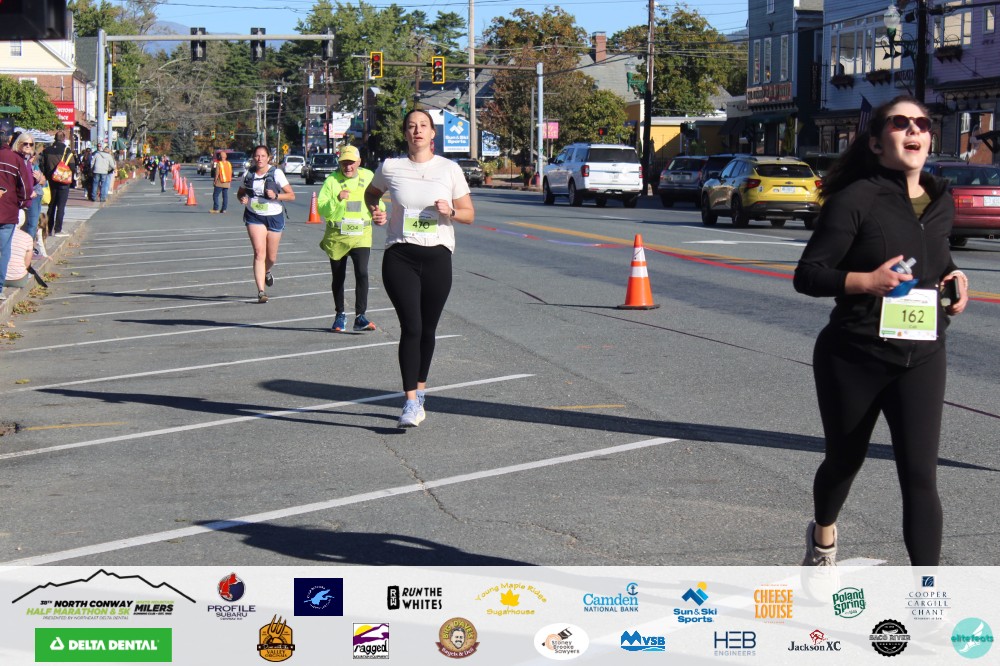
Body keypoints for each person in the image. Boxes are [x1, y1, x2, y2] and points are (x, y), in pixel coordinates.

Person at [794, 95, 969, 567]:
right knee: (844, 461)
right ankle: (823, 535)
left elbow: (932, 255)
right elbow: (808, 275)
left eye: (922, 124)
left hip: (922, 355)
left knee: (920, 476)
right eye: (900, 123)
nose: (914, 130)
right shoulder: (856, 199)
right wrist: (867, 282)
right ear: (875, 142)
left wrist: (953, 274)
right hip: (855, 355)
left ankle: (926, 595)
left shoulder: (940, 199)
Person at [364, 109, 475, 428]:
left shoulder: (449, 169)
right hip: (400, 256)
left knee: (427, 329)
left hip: (438, 256)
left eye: (423, 126)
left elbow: (469, 214)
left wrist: (450, 211)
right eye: (411, 126)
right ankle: (410, 401)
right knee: (411, 327)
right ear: (405, 133)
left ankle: (421, 392)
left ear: (432, 133)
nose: (417, 131)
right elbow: (371, 193)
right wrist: (376, 210)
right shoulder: (391, 167)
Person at [317, 145, 385, 332]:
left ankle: (360, 316)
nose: (348, 166)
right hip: (337, 236)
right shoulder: (332, 181)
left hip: (361, 235)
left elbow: (378, 201)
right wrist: (337, 198)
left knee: (362, 272)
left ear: (359, 162)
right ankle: (340, 314)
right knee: (338, 276)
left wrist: (380, 212)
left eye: (351, 162)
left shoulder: (368, 176)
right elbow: (321, 208)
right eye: (344, 163)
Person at [236, 145, 295, 303]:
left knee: (271, 257)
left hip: (274, 216)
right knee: (259, 253)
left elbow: (291, 195)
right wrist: (242, 199)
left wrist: (276, 196)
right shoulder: (248, 174)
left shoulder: (276, 173)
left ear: (268, 157)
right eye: (257, 156)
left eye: (263, 156)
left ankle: (267, 271)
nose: (259, 159)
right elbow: (240, 193)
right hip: (254, 216)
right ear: (253, 157)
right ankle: (261, 292)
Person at [0, 119, 33, 301]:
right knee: (4, 250)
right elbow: (26, 189)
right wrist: (21, 202)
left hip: (8, 209)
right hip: (7, 212)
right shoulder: (15, 160)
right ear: (11, 138)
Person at [11, 132, 44, 245]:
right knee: (28, 225)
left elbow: (35, 180)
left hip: (30, 196)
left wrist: (38, 179)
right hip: (21, 197)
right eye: (25, 144)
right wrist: (29, 191)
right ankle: (25, 250)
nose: (28, 146)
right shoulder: (17, 158)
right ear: (19, 143)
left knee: (31, 224)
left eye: (31, 144)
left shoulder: (28, 160)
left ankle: (28, 249)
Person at [41, 130, 75, 235]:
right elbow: (72, 166)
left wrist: (47, 175)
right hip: (63, 181)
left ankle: (48, 228)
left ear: (55, 138)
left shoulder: (47, 150)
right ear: (63, 139)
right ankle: (58, 229)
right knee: (61, 206)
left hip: (51, 180)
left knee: (51, 206)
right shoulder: (67, 150)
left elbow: (42, 165)